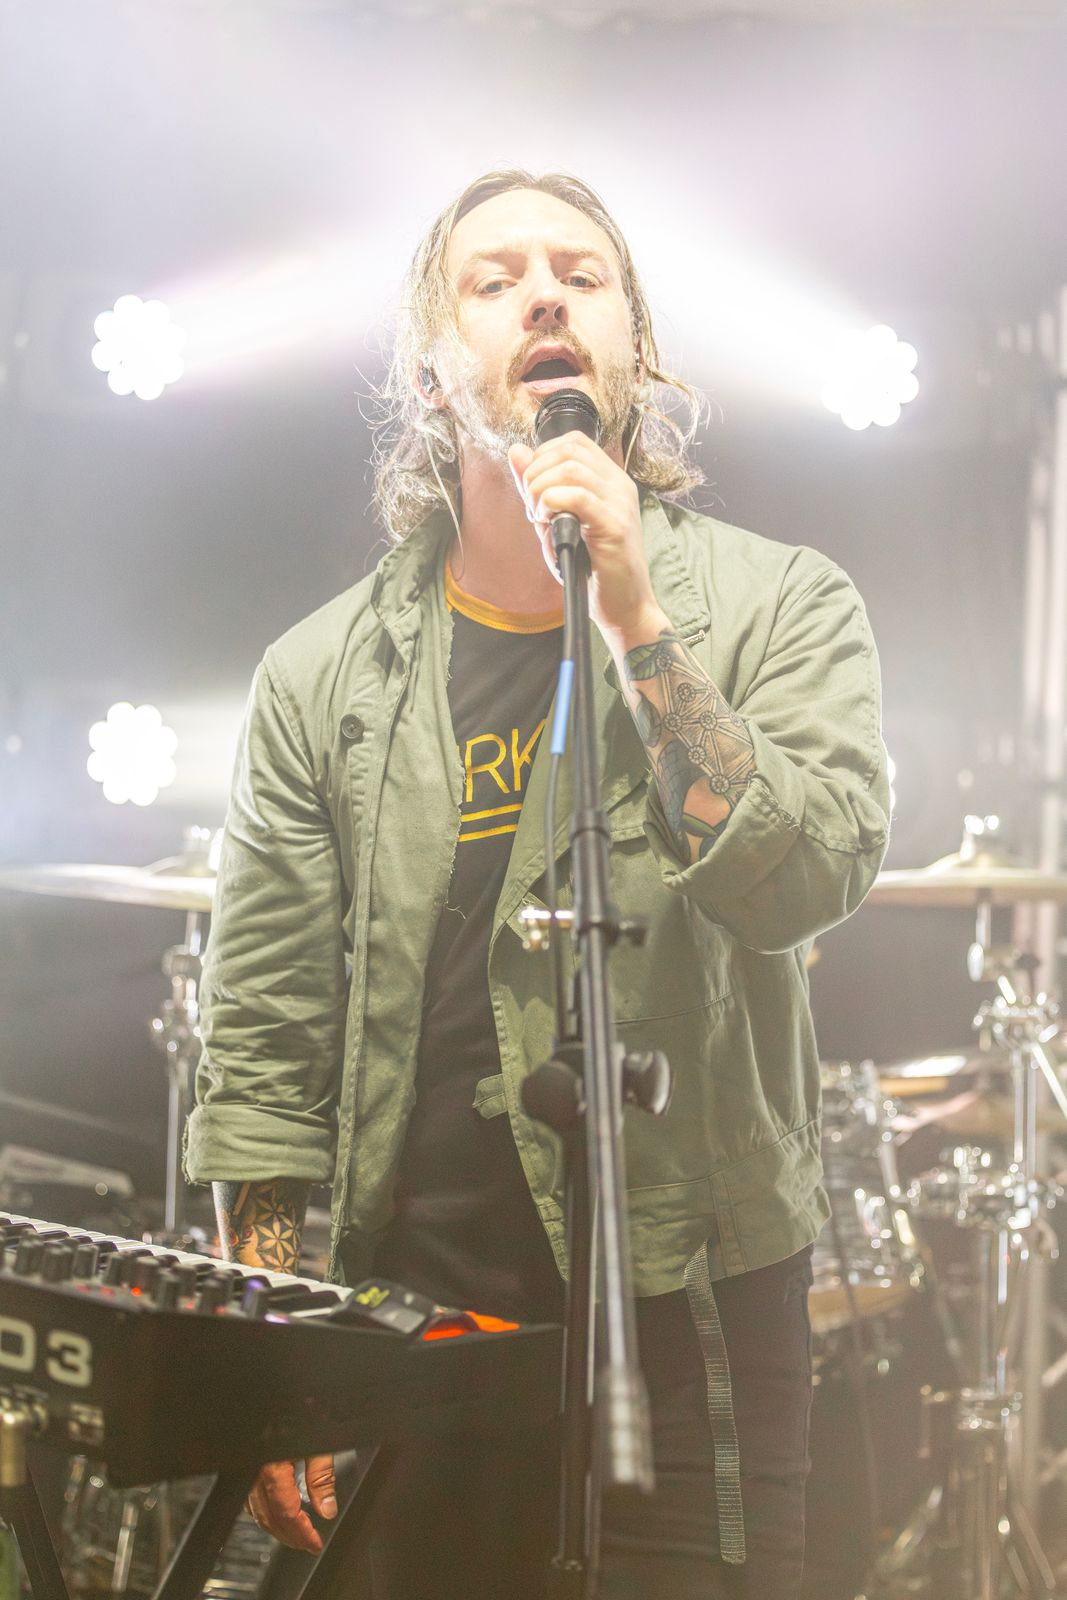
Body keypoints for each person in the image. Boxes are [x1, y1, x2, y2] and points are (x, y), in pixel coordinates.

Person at [184, 167, 891, 1600]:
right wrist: (277, 1345)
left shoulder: (785, 602)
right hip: (415, 1327)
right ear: (430, 374)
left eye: (583, 273)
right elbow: (264, 1037)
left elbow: (806, 878)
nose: (546, 298)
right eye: (493, 279)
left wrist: (634, 615)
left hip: (692, 1316)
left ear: (635, 349)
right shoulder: (319, 676)